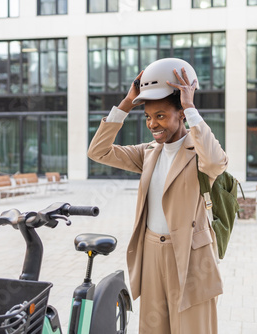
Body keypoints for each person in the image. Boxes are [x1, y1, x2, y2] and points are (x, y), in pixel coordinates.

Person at [87, 58, 228, 334]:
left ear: (181, 115)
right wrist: (127, 103)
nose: (153, 124)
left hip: (189, 256)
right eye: (148, 117)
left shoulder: (198, 153)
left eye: (160, 115)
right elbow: (98, 152)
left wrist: (190, 106)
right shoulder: (147, 152)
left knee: (192, 328)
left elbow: (215, 162)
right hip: (151, 252)